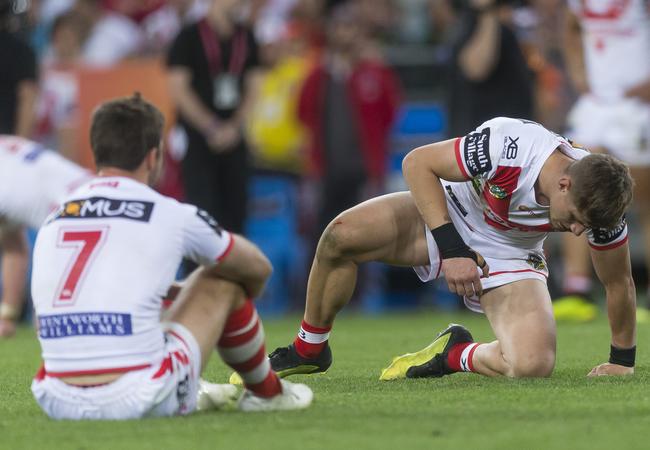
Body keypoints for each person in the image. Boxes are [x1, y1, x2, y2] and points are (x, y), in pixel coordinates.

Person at [258, 117, 636, 381]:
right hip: (454, 209)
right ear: (565, 184)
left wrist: (622, 360)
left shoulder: (601, 205)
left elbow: (619, 282)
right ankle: (310, 348)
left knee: (532, 365)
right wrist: (453, 250)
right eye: (574, 219)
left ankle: (453, 353)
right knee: (340, 235)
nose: (576, 231)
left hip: (511, 251)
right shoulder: (509, 145)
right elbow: (417, 162)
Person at [30, 94, 312, 420]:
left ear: (97, 154)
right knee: (221, 279)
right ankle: (267, 393)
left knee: (157, 298)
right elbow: (257, 267)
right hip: (136, 395)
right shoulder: (167, 213)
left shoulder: (56, 215)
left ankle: (195, 386)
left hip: (54, 396)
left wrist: (170, 293)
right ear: (153, 157)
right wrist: (240, 293)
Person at [553, 0, 650, 322]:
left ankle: (644, 296)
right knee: (575, 187)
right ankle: (576, 289)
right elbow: (569, 26)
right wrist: (578, 71)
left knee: (643, 199)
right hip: (595, 104)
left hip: (638, 105)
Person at [167, 0, 260, 234]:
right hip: (199, 141)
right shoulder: (188, 36)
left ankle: (234, 270)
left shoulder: (246, 36)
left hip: (235, 141)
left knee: (236, 217)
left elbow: (255, 86)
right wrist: (211, 127)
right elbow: (178, 89)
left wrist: (234, 127)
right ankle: (199, 271)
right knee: (201, 215)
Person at [0, 135, 91, 338]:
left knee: (51, 325)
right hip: (94, 195)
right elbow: (14, 247)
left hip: (81, 217)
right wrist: (6, 316)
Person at [0, 0, 39, 138]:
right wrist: (20, 143)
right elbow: (27, 99)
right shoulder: (23, 51)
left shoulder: (21, 51)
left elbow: (27, 97)